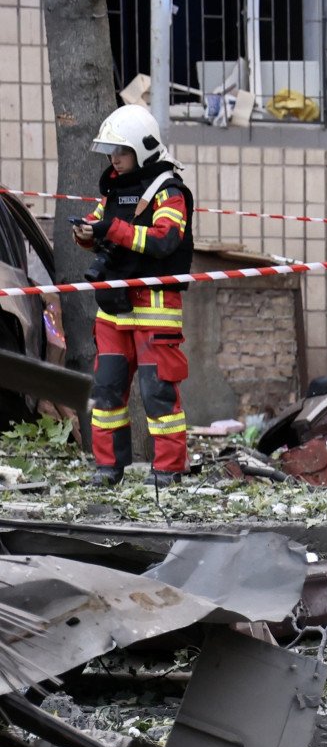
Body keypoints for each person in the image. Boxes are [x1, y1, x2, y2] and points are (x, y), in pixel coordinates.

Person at [73, 104, 195, 486]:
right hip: (113, 310)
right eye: (111, 152)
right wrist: (87, 236)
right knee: (107, 392)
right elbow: (101, 228)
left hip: (155, 310)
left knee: (158, 395)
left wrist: (112, 230)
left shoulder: (170, 191)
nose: (115, 159)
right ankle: (108, 468)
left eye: (121, 152)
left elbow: (165, 240)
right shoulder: (112, 187)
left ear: (142, 149)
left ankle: (168, 471)